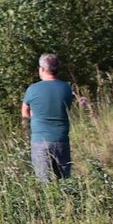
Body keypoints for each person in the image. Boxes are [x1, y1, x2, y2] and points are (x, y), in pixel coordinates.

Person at [21, 53, 75, 182]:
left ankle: (48, 202)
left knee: (43, 180)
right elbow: (66, 108)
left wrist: (35, 113)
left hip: (40, 140)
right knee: (64, 180)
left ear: (42, 69)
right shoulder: (66, 88)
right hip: (61, 139)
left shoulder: (32, 89)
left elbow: (25, 113)